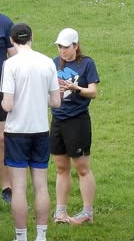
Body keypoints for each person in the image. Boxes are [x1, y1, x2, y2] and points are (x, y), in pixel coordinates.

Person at [1, 23, 61, 241]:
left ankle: (21, 236)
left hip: (17, 131)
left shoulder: (10, 64)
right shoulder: (47, 62)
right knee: (41, 185)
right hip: (40, 130)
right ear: (31, 38)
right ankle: (41, 236)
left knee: (18, 187)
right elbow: (56, 102)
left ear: (12, 41)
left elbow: (7, 105)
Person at [49, 28, 100, 226]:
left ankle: (87, 212)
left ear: (76, 46)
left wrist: (75, 88)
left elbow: (93, 92)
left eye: (66, 47)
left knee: (82, 168)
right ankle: (60, 211)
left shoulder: (86, 64)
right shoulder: (53, 63)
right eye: (60, 46)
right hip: (57, 120)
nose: (62, 50)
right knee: (61, 167)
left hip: (77, 121)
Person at [0, 13, 16, 203]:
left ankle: (7, 186)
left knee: (2, 139)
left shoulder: (4, 23)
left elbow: (15, 56)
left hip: (1, 91)